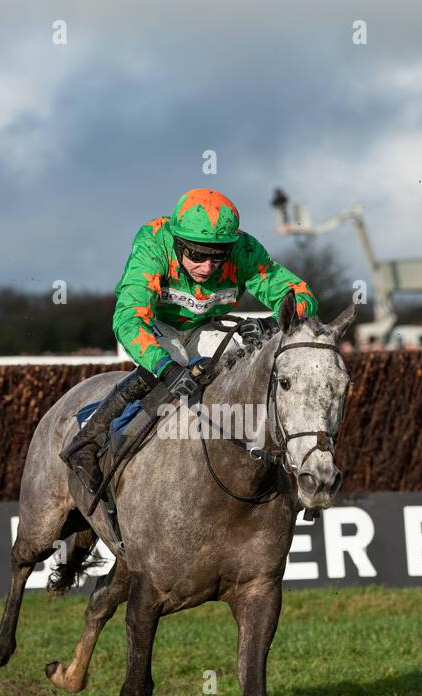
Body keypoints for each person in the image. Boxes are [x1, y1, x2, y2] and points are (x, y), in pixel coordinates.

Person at [62, 188, 319, 494]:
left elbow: (301, 296)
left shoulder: (244, 250)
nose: (207, 267)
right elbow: (129, 319)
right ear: (179, 242)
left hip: (205, 325)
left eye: (218, 256)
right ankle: (88, 441)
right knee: (170, 365)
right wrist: (165, 368)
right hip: (156, 323)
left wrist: (271, 323)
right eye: (197, 255)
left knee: (249, 361)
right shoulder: (154, 242)